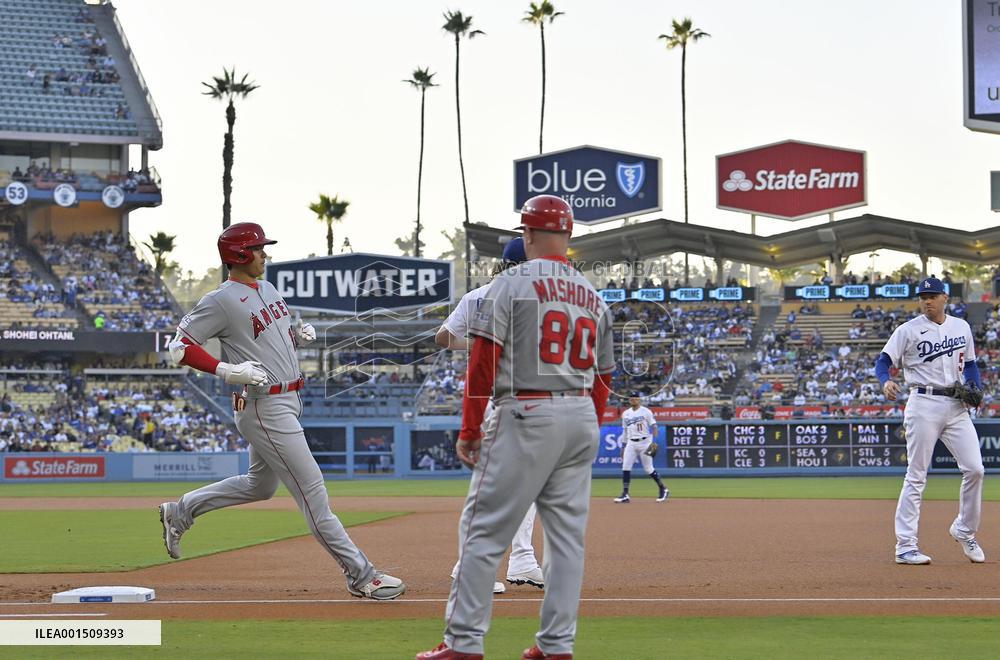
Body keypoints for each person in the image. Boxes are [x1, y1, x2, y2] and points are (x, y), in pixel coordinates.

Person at [158, 222, 404, 600]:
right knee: (313, 492)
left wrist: (297, 332)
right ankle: (362, 576)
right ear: (239, 255)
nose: (264, 254)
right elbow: (180, 346)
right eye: (258, 249)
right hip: (264, 405)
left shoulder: (267, 288)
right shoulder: (221, 299)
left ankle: (183, 511)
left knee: (260, 486)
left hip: (288, 400)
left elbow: (270, 335)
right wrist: (225, 369)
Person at [418, 195, 615, 660]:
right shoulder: (593, 294)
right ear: (567, 236)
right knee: (566, 540)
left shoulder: (510, 284)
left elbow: (483, 361)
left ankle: (463, 643)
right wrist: (590, 425)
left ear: (526, 234)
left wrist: (469, 428)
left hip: (526, 411)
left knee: (483, 529)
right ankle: (556, 645)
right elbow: (604, 378)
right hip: (581, 416)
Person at [434, 237, 545, 596]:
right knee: (491, 488)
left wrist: (479, 342)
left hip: (502, 400)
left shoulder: (476, 297)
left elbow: (443, 337)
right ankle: (468, 566)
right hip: (503, 400)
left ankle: (523, 559)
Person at [875, 276, 986, 565]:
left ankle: (964, 530)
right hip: (923, 403)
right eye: (923, 296)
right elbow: (883, 361)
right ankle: (905, 546)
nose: (927, 300)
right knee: (916, 475)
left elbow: (971, 365)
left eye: (932, 296)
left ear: (944, 298)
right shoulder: (908, 330)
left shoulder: (960, 327)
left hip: (956, 405)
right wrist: (886, 381)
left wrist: (975, 387)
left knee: (975, 469)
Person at [613, 393, 669, 503]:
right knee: (625, 467)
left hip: (645, 442)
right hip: (631, 443)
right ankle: (625, 494)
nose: (633, 400)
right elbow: (625, 431)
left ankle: (663, 488)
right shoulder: (625, 414)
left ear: (639, 400)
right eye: (631, 398)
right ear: (629, 400)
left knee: (648, 469)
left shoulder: (646, 411)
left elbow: (654, 426)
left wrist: (654, 443)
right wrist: (623, 446)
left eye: (636, 398)